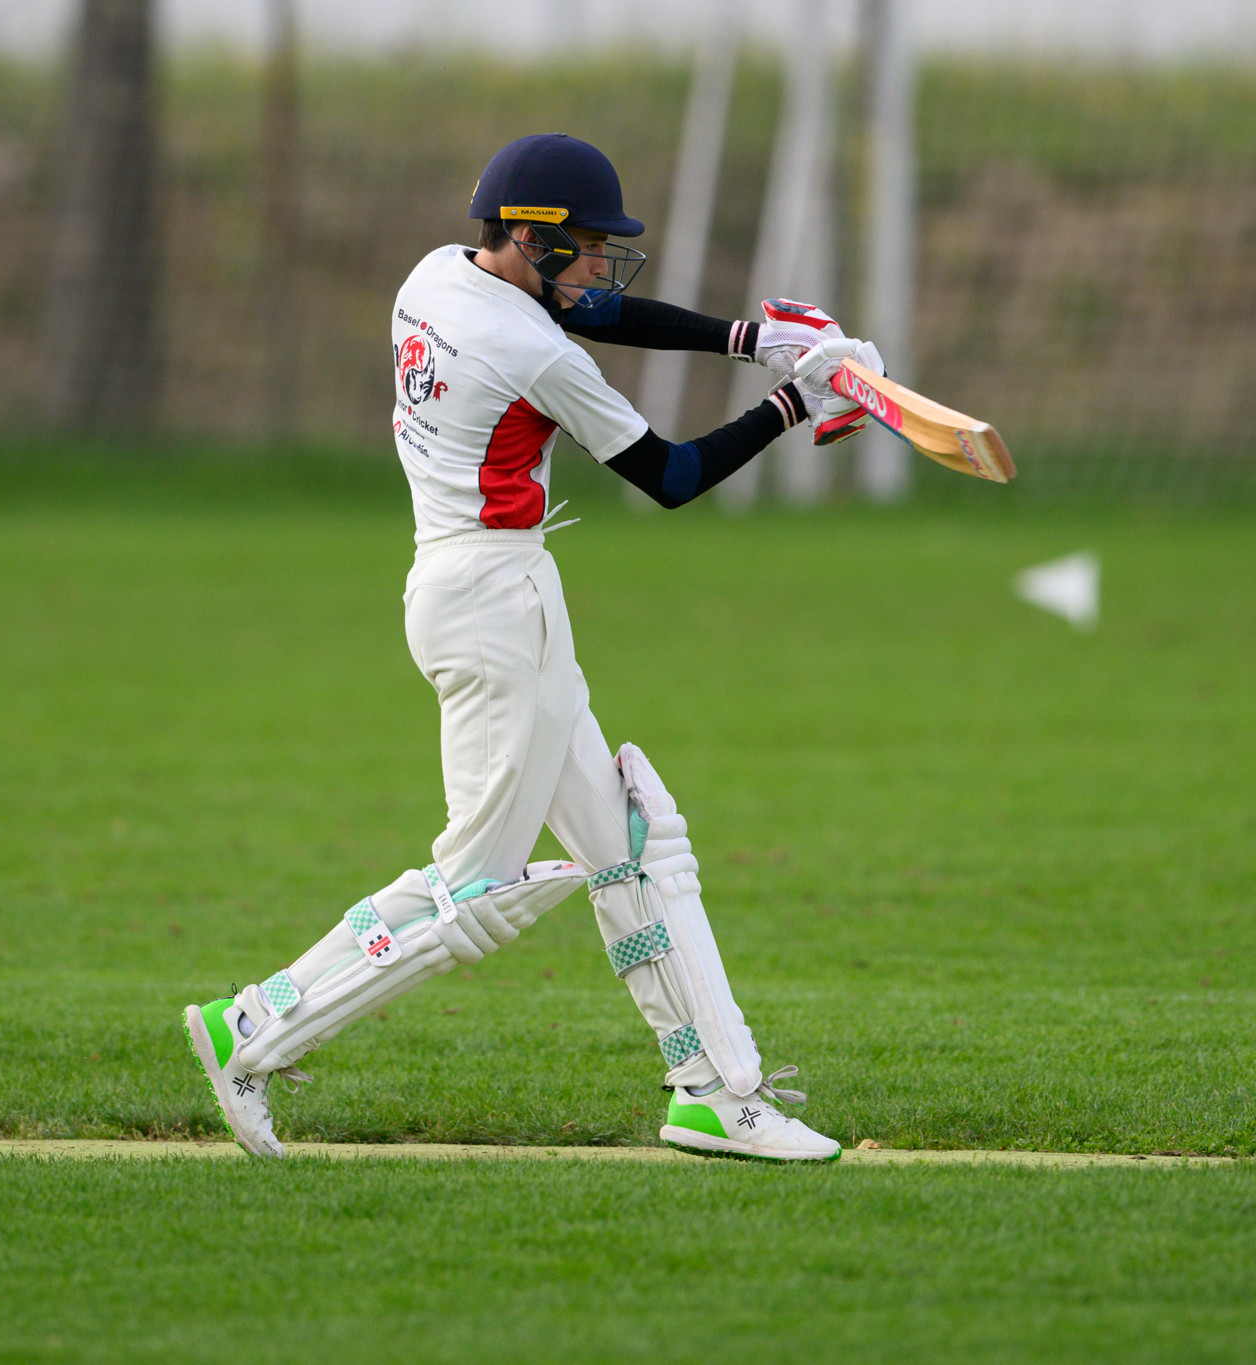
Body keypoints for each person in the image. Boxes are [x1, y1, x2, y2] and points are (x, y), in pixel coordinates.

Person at [183, 133, 885, 1161]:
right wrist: (792, 401)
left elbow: (593, 310)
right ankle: (253, 1026)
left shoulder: (433, 276)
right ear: (528, 238)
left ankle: (714, 1092)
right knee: (475, 891)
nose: (601, 268)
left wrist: (752, 338)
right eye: (589, 247)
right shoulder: (532, 355)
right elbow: (671, 478)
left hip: (482, 588)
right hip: (493, 609)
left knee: (631, 844)